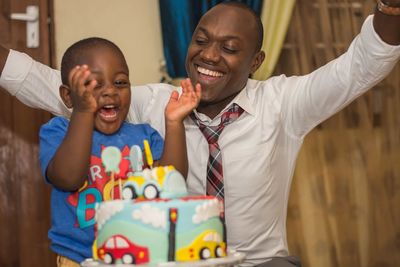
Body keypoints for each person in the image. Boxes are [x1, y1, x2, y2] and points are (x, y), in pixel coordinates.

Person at [0, 1, 399, 267]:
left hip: (257, 262)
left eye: (229, 47)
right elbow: (61, 86)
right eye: (202, 41)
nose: (208, 56)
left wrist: (390, 9)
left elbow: (356, 69)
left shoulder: (284, 103)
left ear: (255, 61)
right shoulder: (152, 102)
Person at [37, 37, 200, 267]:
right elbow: (68, 177)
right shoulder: (58, 132)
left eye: (121, 83)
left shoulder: (144, 135)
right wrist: (84, 111)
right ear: (67, 96)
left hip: (138, 253)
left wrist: (173, 124)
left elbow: (171, 183)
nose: (111, 91)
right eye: (94, 85)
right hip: (80, 258)